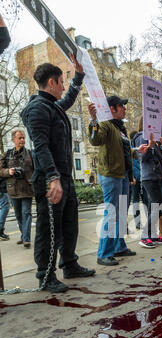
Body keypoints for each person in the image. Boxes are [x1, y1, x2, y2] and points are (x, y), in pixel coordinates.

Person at [21, 57, 96, 293]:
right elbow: (41, 146)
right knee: (48, 228)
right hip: (50, 179)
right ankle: (45, 274)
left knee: (68, 224)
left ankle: (69, 264)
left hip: (64, 176)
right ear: (52, 82)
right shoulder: (37, 109)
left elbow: (68, 99)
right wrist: (52, 178)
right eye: (62, 82)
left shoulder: (51, 106)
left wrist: (79, 76)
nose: (64, 87)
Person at [88, 96, 136, 266]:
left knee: (121, 212)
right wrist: (93, 120)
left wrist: (138, 150)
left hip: (122, 174)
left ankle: (118, 246)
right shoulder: (105, 124)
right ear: (112, 109)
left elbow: (123, 151)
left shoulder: (120, 128)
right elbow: (95, 140)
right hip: (110, 174)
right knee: (112, 213)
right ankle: (104, 253)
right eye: (122, 106)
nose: (125, 109)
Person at [133, 120, 162, 248]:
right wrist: (150, 145)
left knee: (154, 206)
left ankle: (152, 235)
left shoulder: (153, 138)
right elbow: (142, 158)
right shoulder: (141, 137)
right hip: (149, 177)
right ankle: (145, 236)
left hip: (156, 176)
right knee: (156, 205)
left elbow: (159, 158)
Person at [0, 130, 34, 248]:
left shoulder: (30, 154)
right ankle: (23, 235)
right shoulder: (7, 154)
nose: (22, 140)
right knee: (19, 215)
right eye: (19, 138)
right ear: (13, 139)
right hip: (13, 189)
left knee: (26, 213)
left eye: (23, 138)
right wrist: (8, 171)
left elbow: (37, 170)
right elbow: (0, 171)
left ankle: (26, 239)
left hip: (27, 189)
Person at [131, 129, 148, 231]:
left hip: (141, 178)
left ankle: (145, 220)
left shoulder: (138, 150)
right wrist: (132, 177)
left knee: (144, 200)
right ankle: (137, 222)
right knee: (137, 201)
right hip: (136, 179)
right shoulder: (133, 150)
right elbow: (131, 165)